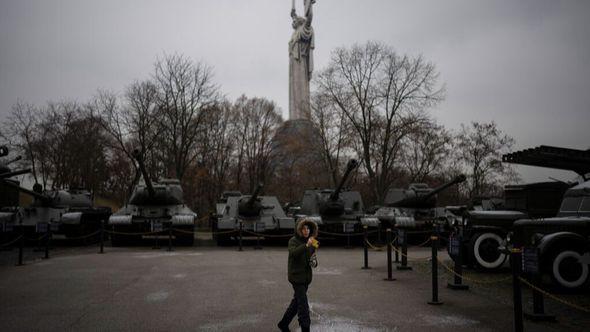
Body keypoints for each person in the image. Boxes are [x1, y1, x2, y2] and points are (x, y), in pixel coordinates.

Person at [278, 218, 319, 332]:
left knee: (297, 303)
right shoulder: (293, 241)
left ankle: (283, 323)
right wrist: (306, 245)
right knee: (303, 306)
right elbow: (294, 253)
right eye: (303, 228)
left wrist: (314, 261)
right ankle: (306, 328)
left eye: (308, 228)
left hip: (306, 278)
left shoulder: (312, 241)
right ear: (299, 229)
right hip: (296, 277)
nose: (306, 231)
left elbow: (313, 259)